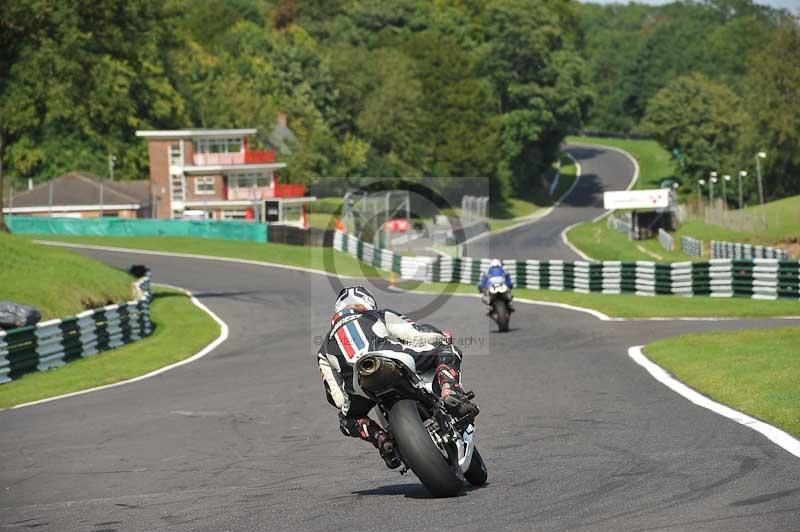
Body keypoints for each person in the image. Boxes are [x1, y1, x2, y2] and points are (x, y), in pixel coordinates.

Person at [316, 286, 478, 469]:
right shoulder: (377, 315)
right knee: (448, 350)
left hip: (359, 384)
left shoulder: (324, 347)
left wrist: (349, 402)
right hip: (390, 358)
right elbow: (416, 334)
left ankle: (381, 438)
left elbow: (335, 396)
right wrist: (441, 337)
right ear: (367, 302)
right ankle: (449, 390)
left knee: (346, 421)